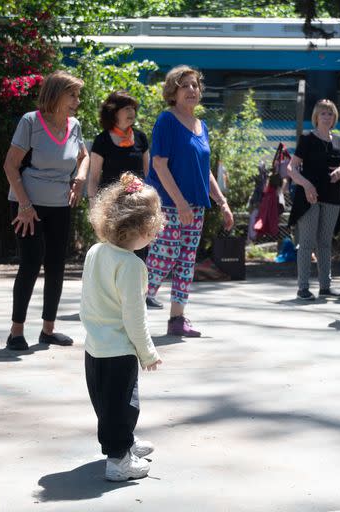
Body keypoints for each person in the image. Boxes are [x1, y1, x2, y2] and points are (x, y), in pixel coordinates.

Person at [81, 173, 163, 482]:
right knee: (123, 402)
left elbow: (89, 298)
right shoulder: (131, 265)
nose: (153, 237)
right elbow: (134, 316)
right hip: (119, 349)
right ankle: (118, 461)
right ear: (141, 229)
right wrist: (147, 352)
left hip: (95, 347)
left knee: (108, 402)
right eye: (152, 232)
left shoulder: (96, 251)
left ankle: (124, 443)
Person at [2, 70, 89, 351]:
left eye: (78, 94)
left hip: (60, 204)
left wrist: (79, 178)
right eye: (72, 94)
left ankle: (48, 330)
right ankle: (16, 332)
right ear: (55, 94)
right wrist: (25, 205)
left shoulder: (73, 125)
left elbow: (83, 156)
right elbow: (10, 165)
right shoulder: (31, 122)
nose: (77, 100)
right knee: (30, 261)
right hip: (27, 205)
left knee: (55, 264)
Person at [145, 65, 234, 336]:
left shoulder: (201, 125)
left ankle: (177, 319)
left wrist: (222, 202)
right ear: (173, 91)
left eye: (195, 85)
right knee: (163, 257)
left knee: (186, 262)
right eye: (185, 85)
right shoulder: (167, 120)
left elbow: (203, 170)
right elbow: (159, 164)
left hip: (196, 206)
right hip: (170, 204)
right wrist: (180, 203)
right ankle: (127, 311)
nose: (192, 90)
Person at [287, 99, 340, 301]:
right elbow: (291, 168)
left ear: (334, 117)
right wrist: (306, 185)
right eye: (323, 113)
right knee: (306, 243)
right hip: (309, 197)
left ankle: (325, 286)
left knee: (324, 243)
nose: (327, 117)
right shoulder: (307, 139)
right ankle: (303, 288)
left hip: (332, 196)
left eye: (330, 113)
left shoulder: (338, 140)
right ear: (316, 117)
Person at [88, 90, 150, 261]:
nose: (132, 112)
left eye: (133, 108)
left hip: (138, 207)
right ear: (113, 112)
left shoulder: (140, 138)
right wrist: (93, 206)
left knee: (139, 257)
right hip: (111, 208)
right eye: (126, 108)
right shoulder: (102, 140)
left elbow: (148, 174)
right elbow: (93, 178)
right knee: (113, 255)